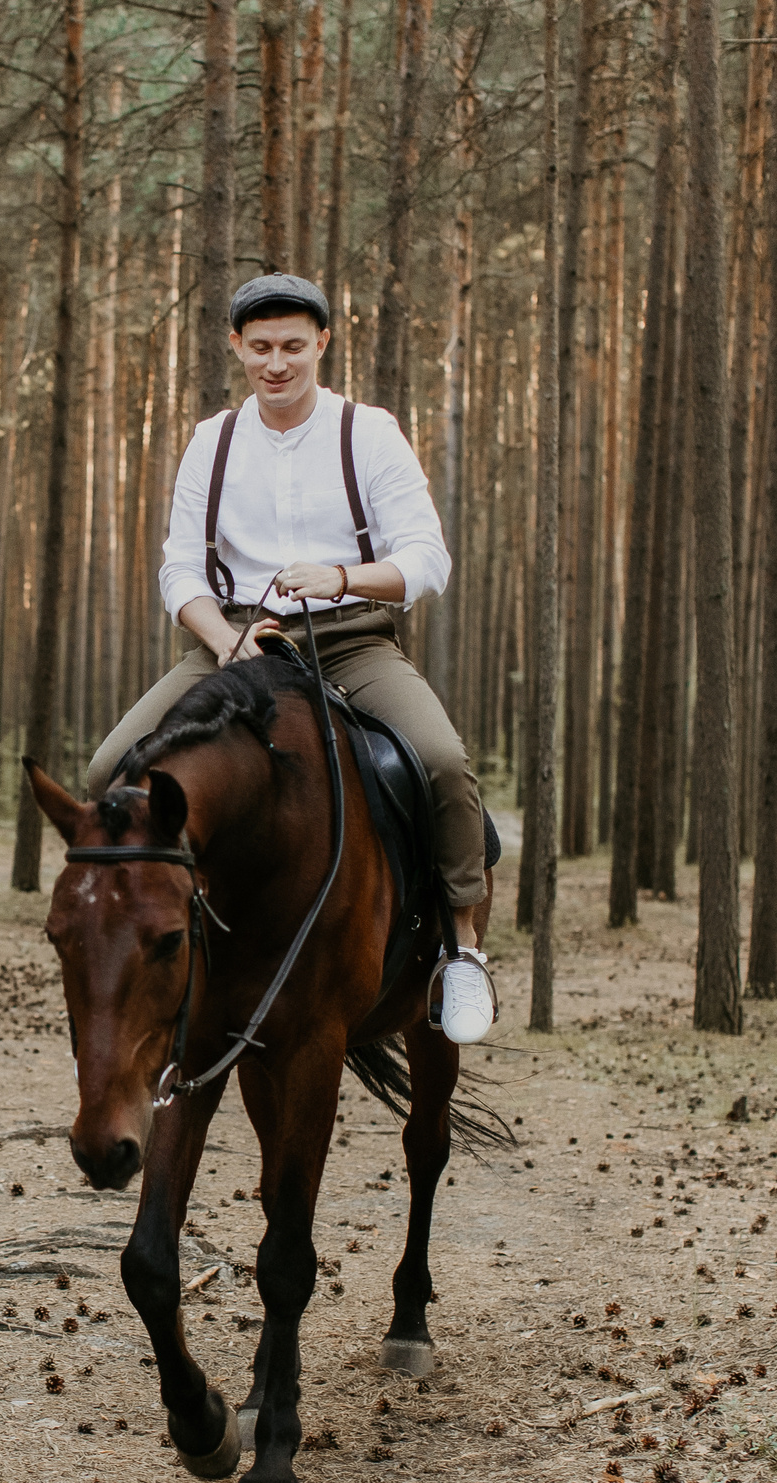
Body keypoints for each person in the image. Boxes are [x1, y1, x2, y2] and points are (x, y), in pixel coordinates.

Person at [84, 273, 498, 1044]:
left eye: (294, 348)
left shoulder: (368, 433)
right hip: (233, 643)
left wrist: (342, 577)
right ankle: (144, 952)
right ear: (236, 346)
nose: (278, 364)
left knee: (440, 759)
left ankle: (462, 947)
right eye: (262, 348)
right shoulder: (212, 441)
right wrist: (223, 637)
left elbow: (427, 559)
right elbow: (179, 569)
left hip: (349, 639)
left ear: (323, 345)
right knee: (109, 767)